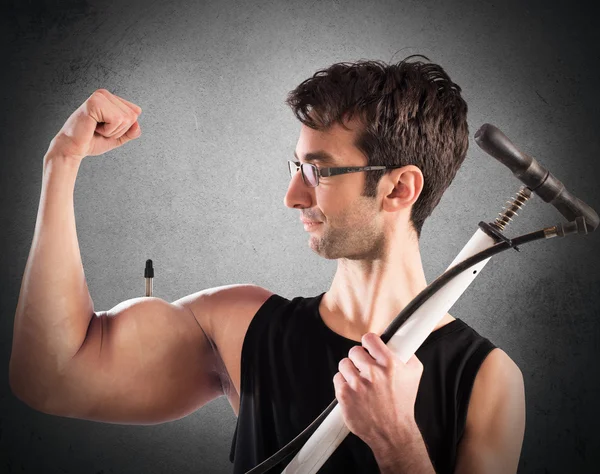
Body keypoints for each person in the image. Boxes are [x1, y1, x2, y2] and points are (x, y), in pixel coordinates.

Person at [9, 56, 525, 474]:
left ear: (398, 188)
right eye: (296, 167)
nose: (292, 196)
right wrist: (61, 163)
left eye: (317, 172)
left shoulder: (486, 381)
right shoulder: (238, 325)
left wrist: (397, 441)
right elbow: (53, 376)